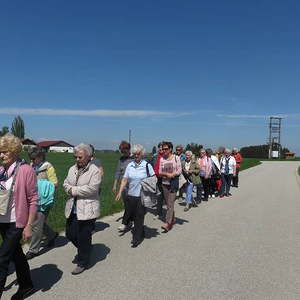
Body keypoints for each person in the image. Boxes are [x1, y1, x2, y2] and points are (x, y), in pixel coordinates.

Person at [0, 134, 38, 299]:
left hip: (16, 222)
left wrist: (29, 225)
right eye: (0, 152)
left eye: (4, 152)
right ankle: (27, 285)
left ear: (14, 151)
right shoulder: (1, 170)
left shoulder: (25, 170)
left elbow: (33, 199)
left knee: (2, 259)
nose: (1, 155)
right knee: (16, 254)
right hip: (2, 220)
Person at [63, 143, 101, 275]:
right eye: (76, 157)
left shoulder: (94, 170)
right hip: (72, 207)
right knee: (70, 234)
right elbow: (65, 183)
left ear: (89, 157)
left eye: (80, 157)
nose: (77, 160)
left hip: (87, 208)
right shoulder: (71, 169)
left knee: (84, 236)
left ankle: (83, 261)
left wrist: (73, 190)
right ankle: (85, 249)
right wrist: (69, 188)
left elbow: (92, 188)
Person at [115, 144, 154, 248]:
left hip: (142, 195)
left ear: (142, 154)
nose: (136, 156)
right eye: (135, 154)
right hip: (131, 195)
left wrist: (147, 184)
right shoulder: (130, 165)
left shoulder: (146, 165)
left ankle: (136, 239)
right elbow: (124, 179)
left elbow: (154, 178)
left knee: (139, 216)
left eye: (138, 154)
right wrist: (120, 192)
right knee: (134, 216)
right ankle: (141, 231)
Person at [25, 147, 59, 260]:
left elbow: (54, 184)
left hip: (44, 200)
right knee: (39, 223)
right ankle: (52, 235)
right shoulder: (31, 166)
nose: (32, 160)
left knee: (36, 224)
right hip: (32, 199)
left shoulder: (48, 167)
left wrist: (40, 184)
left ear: (40, 157)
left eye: (34, 158)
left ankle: (33, 250)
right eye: (30, 158)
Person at [158, 141, 182, 232]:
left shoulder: (176, 158)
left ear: (170, 149)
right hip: (164, 183)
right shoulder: (162, 159)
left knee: (170, 203)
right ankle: (173, 219)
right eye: (163, 149)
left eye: (166, 149)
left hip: (173, 183)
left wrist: (173, 174)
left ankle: (167, 223)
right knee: (168, 204)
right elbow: (159, 172)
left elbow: (179, 170)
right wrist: (166, 174)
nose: (164, 150)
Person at [112, 141, 133, 232]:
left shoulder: (133, 159)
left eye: (124, 151)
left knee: (130, 204)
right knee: (126, 204)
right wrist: (115, 184)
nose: (123, 153)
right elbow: (117, 172)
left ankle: (126, 222)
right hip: (122, 185)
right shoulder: (121, 159)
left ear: (129, 150)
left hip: (132, 185)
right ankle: (129, 220)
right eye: (122, 151)